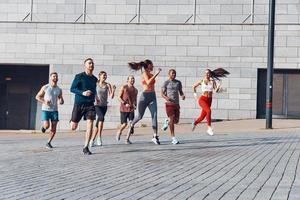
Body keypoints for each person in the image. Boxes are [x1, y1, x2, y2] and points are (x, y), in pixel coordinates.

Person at [127, 59, 161, 145]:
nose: (153, 66)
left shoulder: (151, 74)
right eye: (151, 64)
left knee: (154, 115)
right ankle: (132, 124)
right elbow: (148, 82)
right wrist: (156, 74)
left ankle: (155, 136)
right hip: (145, 97)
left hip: (152, 96)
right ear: (148, 65)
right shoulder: (144, 73)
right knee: (139, 116)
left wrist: (154, 74)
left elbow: (151, 84)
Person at [70, 58, 98, 155]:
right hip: (79, 104)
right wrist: (83, 92)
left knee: (90, 123)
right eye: (89, 63)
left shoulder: (94, 79)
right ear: (85, 65)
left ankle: (86, 147)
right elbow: (72, 89)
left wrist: (96, 97)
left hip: (90, 104)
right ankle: (73, 120)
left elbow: (94, 90)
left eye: (92, 63)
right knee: (73, 127)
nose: (91, 64)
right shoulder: (79, 76)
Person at [192, 68, 229, 135]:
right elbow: (194, 87)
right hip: (202, 99)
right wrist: (195, 95)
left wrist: (219, 86)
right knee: (209, 111)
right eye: (206, 73)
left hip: (209, 100)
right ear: (205, 74)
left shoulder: (212, 81)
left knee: (202, 117)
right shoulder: (202, 81)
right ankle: (209, 128)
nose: (207, 74)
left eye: (208, 73)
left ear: (210, 74)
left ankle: (195, 123)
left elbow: (216, 91)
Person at [35, 72, 64, 149]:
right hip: (46, 109)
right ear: (50, 78)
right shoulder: (45, 87)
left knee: (54, 128)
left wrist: (61, 101)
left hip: (55, 110)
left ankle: (48, 142)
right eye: (54, 76)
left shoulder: (59, 89)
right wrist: (45, 101)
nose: (55, 77)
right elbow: (37, 97)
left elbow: (61, 99)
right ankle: (44, 128)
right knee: (47, 126)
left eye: (56, 76)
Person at [90, 71, 116, 147]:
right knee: (101, 118)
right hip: (96, 105)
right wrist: (96, 98)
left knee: (98, 124)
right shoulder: (95, 84)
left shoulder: (108, 85)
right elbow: (93, 93)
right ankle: (99, 138)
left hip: (104, 106)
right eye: (103, 75)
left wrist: (113, 90)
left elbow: (111, 96)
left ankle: (92, 140)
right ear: (99, 76)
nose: (105, 76)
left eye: (106, 75)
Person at [161, 69, 185, 145]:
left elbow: (180, 91)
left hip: (176, 104)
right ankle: (173, 138)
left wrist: (182, 95)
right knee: (172, 118)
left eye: (175, 74)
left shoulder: (178, 82)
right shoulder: (166, 83)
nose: (174, 75)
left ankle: (167, 121)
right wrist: (166, 97)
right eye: (172, 74)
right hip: (169, 104)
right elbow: (162, 93)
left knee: (176, 121)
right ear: (169, 74)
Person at [116, 75, 138, 144]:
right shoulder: (124, 87)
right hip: (123, 109)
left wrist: (135, 105)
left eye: (133, 79)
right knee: (124, 124)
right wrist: (125, 103)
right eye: (131, 79)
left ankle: (127, 139)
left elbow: (135, 99)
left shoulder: (135, 90)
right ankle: (119, 131)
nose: (132, 80)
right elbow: (119, 97)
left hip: (131, 109)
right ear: (127, 80)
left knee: (131, 124)